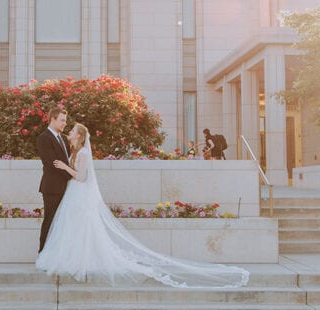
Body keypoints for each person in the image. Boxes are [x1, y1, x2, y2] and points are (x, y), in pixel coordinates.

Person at [36, 123, 249, 289]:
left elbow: (82, 177)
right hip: (75, 195)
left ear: (80, 136)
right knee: (75, 228)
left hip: (79, 192)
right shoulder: (76, 151)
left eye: (72, 130)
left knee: (83, 227)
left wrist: (65, 167)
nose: (69, 132)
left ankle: (81, 259)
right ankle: (72, 256)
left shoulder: (82, 154)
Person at [37, 106, 72, 252]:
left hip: (67, 188)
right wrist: (71, 175)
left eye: (65, 120)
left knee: (63, 223)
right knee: (50, 221)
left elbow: (67, 161)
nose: (65, 123)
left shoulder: (63, 138)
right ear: (53, 119)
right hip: (52, 188)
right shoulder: (43, 138)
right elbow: (52, 164)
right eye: (62, 120)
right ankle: (43, 254)